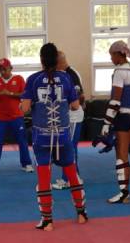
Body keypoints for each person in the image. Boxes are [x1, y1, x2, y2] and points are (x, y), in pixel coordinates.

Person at [21, 43, 88, 231]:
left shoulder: (33, 80)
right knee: (72, 173)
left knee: (43, 176)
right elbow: (75, 105)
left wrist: (28, 105)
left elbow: (25, 108)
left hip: (41, 136)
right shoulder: (66, 78)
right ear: (56, 60)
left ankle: (47, 220)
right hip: (63, 135)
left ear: (41, 60)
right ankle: (81, 213)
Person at [100, 40, 130, 204]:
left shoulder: (120, 71)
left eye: (111, 55)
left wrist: (106, 124)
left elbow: (115, 100)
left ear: (118, 55)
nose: (111, 59)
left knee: (121, 155)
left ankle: (123, 193)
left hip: (123, 117)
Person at [0, 58, 33, 176]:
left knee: (22, 140)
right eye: (0, 69)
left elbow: (24, 94)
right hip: (0, 117)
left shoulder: (19, 79)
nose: (2, 71)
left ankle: (26, 164)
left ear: (10, 68)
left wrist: (9, 93)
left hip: (17, 116)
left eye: (4, 69)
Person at [53, 51, 85, 190]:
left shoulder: (71, 74)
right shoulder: (63, 75)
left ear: (59, 62)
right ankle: (74, 176)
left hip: (73, 117)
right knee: (69, 147)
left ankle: (69, 179)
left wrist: (69, 106)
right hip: (67, 117)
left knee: (69, 148)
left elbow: (80, 96)